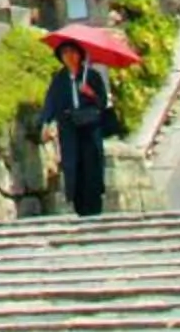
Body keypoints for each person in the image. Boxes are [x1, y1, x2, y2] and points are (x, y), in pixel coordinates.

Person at [39, 41, 122, 217]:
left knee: (92, 164)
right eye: (65, 53)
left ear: (80, 55)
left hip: (90, 127)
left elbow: (103, 103)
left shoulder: (91, 76)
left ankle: (94, 204)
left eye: (72, 52)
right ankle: (79, 206)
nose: (69, 56)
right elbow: (51, 102)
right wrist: (46, 122)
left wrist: (90, 93)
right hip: (69, 128)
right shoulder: (59, 80)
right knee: (73, 165)